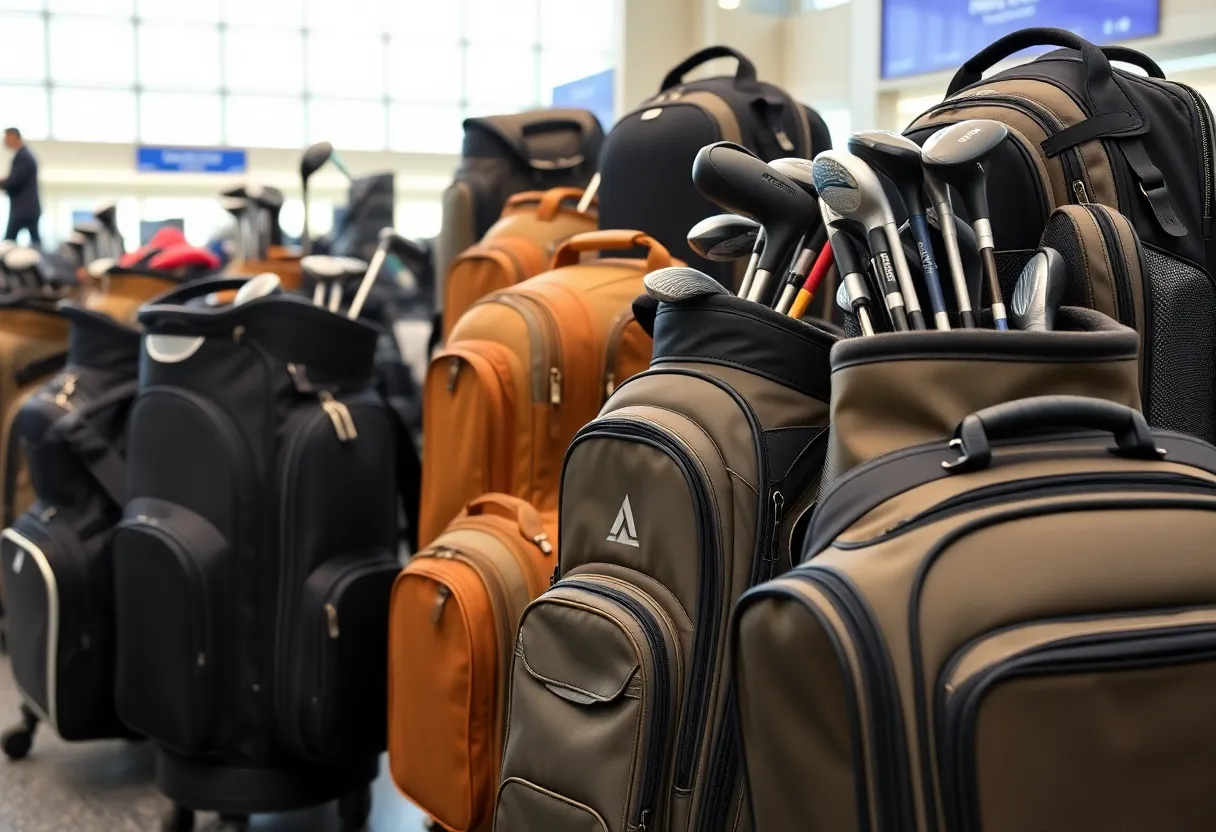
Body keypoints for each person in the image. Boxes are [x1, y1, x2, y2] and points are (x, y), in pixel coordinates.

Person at [0, 128, 40, 246]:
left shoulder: (23, 157)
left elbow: (14, 181)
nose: (4, 141)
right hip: (28, 209)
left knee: (8, 243)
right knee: (35, 243)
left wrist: (2, 182)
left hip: (24, 210)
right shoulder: (24, 155)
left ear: (14, 137)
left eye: (6, 138)